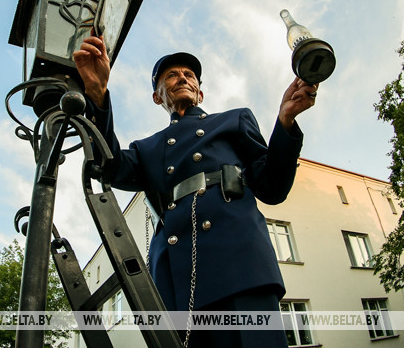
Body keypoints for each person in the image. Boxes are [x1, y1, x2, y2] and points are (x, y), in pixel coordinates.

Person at [73, 34, 318, 347]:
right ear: (157, 97)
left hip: (239, 262)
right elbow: (108, 166)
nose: (182, 78)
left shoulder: (234, 120)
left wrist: (284, 123)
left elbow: (271, 188)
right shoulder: (148, 149)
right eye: (171, 75)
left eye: (189, 75)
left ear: (200, 93)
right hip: (176, 274)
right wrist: (97, 95)